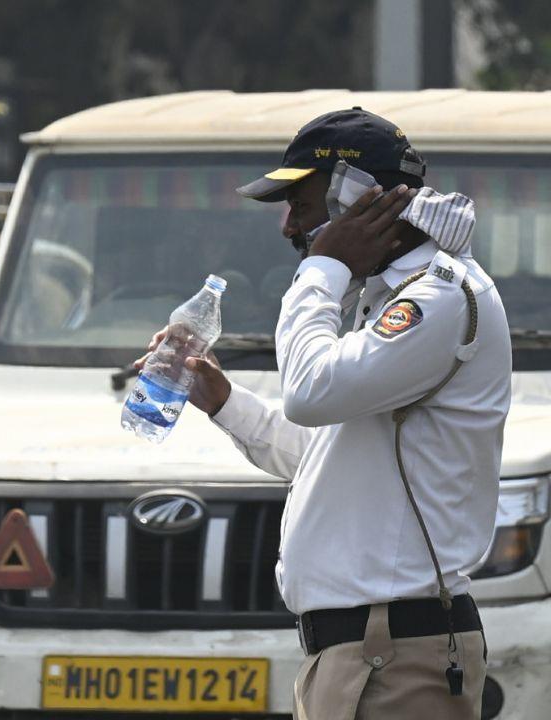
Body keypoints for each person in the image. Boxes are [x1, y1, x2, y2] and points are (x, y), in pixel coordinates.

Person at [138, 109, 510, 718]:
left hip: (395, 649)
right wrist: (222, 400)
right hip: (363, 649)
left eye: (303, 205)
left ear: (356, 201)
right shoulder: (391, 297)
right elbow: (324, 457)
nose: (289, 224)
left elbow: (310, 393)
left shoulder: (439, 298)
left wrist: (323, 267)